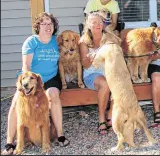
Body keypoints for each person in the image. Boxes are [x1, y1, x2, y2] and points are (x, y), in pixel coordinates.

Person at [4, 12, 69, 154]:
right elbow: (26, 66)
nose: (47, 26)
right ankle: (9, 142)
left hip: (51, 78)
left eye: (50, 23)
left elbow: (69, 48)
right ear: (37, 26)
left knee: (53, 95)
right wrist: (27, 84)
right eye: (43, 23)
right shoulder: (31, 42)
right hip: (32, 79)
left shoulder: (55, 41)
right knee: (15, 103)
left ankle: (60, 135)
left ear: (54, 26)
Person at [79, 12, 114, 134]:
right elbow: (86, 65)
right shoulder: (84, 42)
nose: (98, 25)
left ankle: (110, 115)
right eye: (94, 22)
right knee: (105, 84)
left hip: (108, 72)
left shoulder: (109, 38)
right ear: (88, 24)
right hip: (92, 75)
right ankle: (101, 119)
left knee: (117, 81)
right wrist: (90, 59)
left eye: (100, 22)